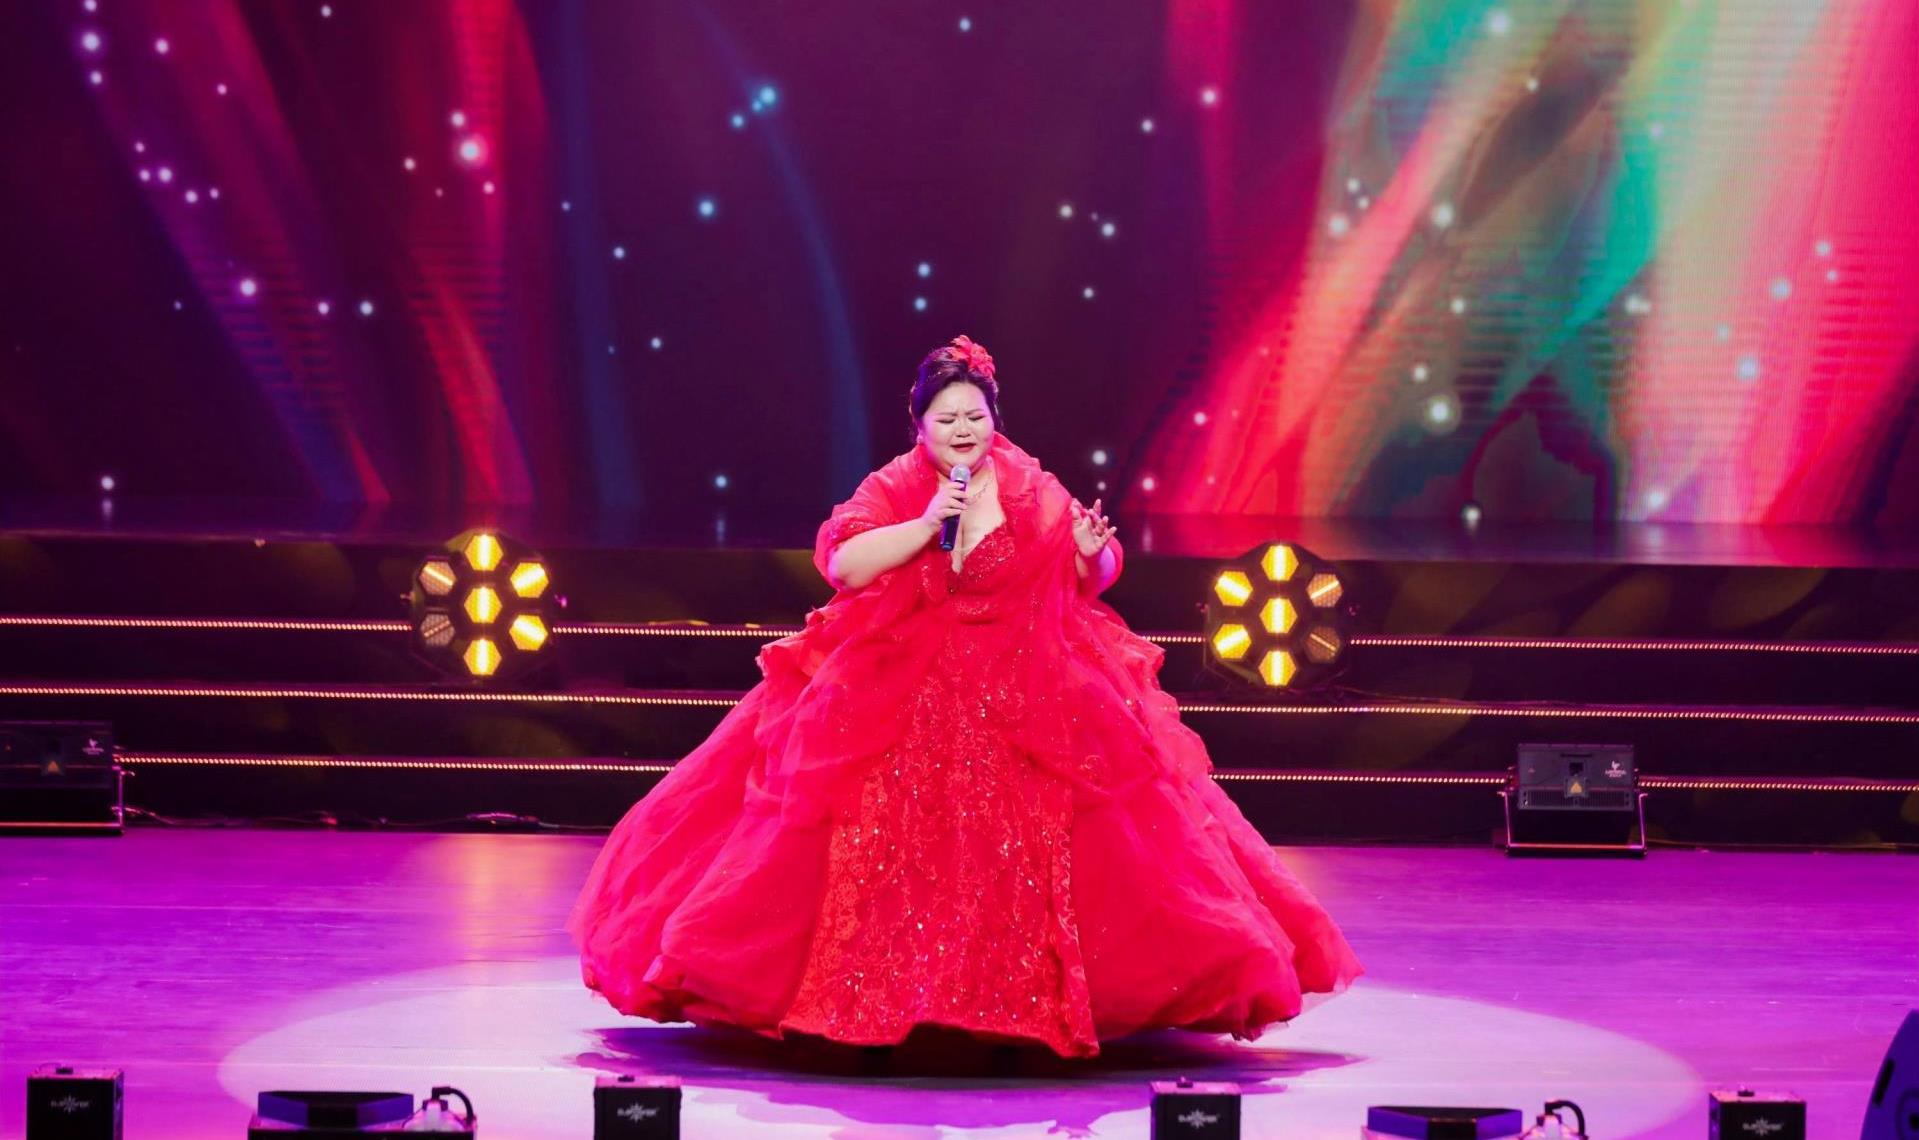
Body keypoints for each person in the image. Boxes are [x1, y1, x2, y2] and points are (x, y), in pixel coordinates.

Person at [570, 335, 1360, 1058]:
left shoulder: (1027, 481)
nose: (962, 430)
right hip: (901, 673)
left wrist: (1095, 555)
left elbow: (1086, 575)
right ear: (919, 424)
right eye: (946, 418)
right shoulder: (896, 484)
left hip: (1026, 675)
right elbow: (844, 565)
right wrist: (925, 524)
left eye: (974, 417)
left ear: (993, 420)